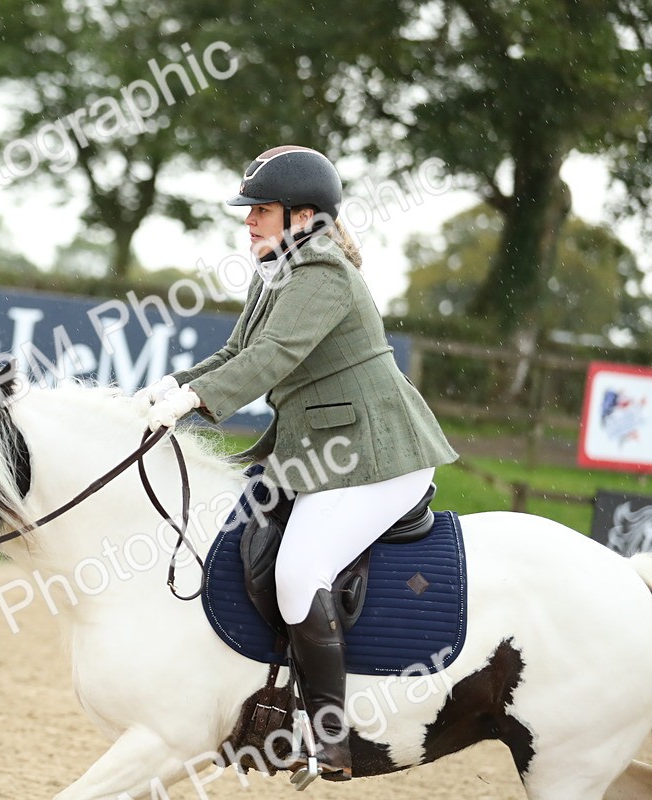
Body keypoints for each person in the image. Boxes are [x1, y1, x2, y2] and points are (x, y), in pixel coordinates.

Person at [135, 145, 458, 780]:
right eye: (249, 209)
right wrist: (165, 388)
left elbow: (274, 356)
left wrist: (194, 400)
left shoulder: (322, 272)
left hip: (380, 459)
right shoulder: (278, 268)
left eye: (261, 209)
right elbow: (236, 351)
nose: (248, 220)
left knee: (298, 569)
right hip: (325, 456)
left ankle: (332, 736)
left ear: (303, 214)